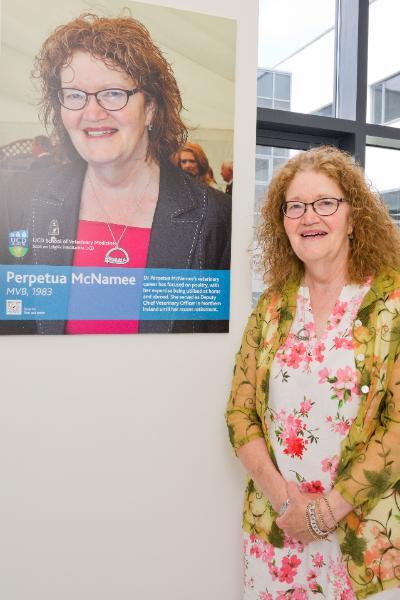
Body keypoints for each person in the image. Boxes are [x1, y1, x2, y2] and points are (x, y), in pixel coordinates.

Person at [226, 146, 400, 599]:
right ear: (282, 222)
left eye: (325, 203)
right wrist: (288, 503)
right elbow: (239, 414)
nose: (309, 217)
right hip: (279, 535)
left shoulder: (392, 305)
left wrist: (326, 511)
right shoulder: (271, 307)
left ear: (353, 215)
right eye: (295, 207)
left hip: (368, 541)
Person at [1, 13, 231, 334]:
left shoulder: (214, 217)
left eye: (113, 93)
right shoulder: (19, 199)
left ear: (150, 107)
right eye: (75, 95)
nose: (93, 113)